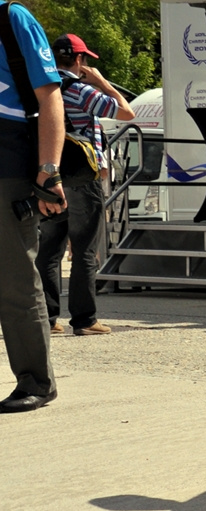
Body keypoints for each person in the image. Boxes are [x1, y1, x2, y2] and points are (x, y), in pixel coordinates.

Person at [38, 33, 134, 336]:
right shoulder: (81, 90)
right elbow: (127, 112)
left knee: (49, 249)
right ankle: (85, 319)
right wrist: (102, 82)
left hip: (50, 177)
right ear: (79, 60)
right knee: (83, 249)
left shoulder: (41, 89)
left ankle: (48, 318)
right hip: (83, 179)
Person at [0, 0, 67, 412]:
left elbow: (50, 96)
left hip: (8, 162)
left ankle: (35, 382)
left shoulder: (12, 18)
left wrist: (49, 170)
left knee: (15, 279)